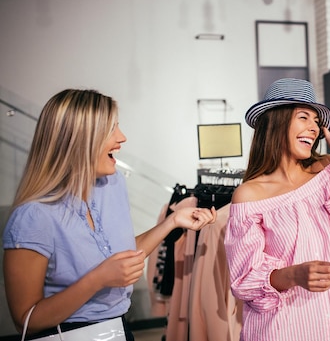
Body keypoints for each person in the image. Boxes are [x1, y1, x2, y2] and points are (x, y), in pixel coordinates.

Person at [3, 89, 217, 340]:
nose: (122, 137)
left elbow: (119, 257)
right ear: (79, 139)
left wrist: (172, 221)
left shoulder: (112, 185)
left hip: (119, 330)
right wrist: (98, 279)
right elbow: (26, 321)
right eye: (111, 128)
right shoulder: (32, 216)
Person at [223, 78, 330, 341]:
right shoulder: (249, 196)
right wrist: (293, 275)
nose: (314, 128)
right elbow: (244, 279)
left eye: (316, 121)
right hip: (287, 327)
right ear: (276, 122)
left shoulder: (328, 169)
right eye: (304, 117)